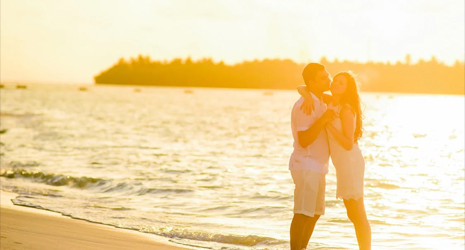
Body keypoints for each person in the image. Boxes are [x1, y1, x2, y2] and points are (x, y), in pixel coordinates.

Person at [297, 71, 372, 250]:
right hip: (342, 164)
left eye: (341, 83)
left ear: (347, 89)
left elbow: (348, 143)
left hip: (350, 162)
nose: (336, 84)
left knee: (357, 214)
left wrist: (328, 124)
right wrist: (307, 96)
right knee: (352, 213)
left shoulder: (346, 109)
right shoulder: (330, 102)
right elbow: (302, 87)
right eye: (335, 81)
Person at [289, 63, 335, 250]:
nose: (329, 79)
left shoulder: (321, 100)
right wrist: (323, 119)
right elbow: (304, 140)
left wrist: (305, 91)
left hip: (319, 166)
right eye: (324, 77)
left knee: (314, 213)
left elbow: (303, 87)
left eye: (328, 75)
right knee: (302, 213)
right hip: (306, 165)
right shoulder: (304, 106)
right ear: (312, 82)